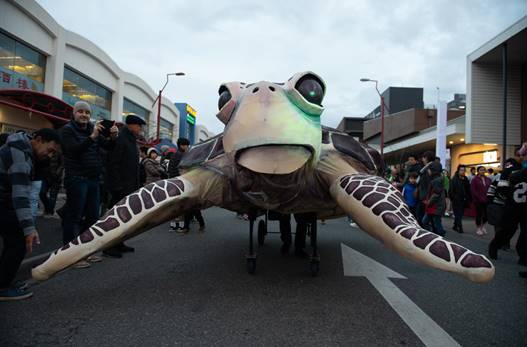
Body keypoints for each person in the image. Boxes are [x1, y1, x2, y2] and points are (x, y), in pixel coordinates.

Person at [0, 128, 61, 300]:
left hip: (5, 200)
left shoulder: (25, 150)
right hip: (4, 201)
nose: (49, 156)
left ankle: (4, 281)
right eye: (49, 151)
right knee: (19, 240)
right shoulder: (20, 154)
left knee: (15, 239)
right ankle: (3, 286)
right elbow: (20, 195)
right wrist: (29, 229)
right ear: (38, 140)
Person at [61, 101, 118, 268]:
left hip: (93, 179)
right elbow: (72, 150)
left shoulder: (91, 129)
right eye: (80, 111)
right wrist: (92, 137)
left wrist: (113, 137)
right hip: (76, 179)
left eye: (87, 112)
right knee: (74, 217)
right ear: (74, 113)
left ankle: (86, 251)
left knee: (93, 217)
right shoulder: (67, 130)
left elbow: (107, 146)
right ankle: (70, 255)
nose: (84, 114)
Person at [104, 115, 146, 258]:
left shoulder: (132, 140)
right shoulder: (121, 139)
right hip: (120, 187)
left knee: (124, 217)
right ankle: (109, 246)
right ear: (132, 125)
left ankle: (120, 243)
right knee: (115, 218)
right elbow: (114, 163)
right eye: (139, 126)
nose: (140, 129)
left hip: (129, 186)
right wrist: (116, 186)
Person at [422, 162, 446, 236]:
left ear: (433, 170)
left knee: (433, 222)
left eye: (429, 170)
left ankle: (440, 236)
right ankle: (435, 235)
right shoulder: (437, 179)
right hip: (435, 206)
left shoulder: (436, 180)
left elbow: (436, 194)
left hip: (435, 206)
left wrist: (428, 202)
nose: (428, 171)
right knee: (432, 222)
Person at [39, 151, 64, 218]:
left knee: (53, 196)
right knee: (42, 192)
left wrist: (57, 174)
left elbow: (62, 164)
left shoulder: (59, 151)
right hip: (45, 175)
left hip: (55, 177)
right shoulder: (45, 149)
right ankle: (48, 208)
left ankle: (50, 211)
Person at [415, 151, 435, 227]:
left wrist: (426, 197)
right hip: (423, 196)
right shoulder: (425, 168)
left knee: (421, 217)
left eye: (423, 158)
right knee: (422, 216)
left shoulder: (428, 169)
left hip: (425, 197)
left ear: (427, 158)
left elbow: (428, 184)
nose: (422, 159)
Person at [449, 165, 471, 233]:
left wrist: (468, 198)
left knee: (460, 214)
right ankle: (460, 227)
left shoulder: (465, 179)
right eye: (461, 170)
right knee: (458, 213)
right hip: (456, 200)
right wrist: (453, 198)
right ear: (458, 170)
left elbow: (468, 189)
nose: (463, 171)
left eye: (464, 170)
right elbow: (451, 190)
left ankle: (455, 226)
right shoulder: (454, 179)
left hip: (463, 200)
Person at [470, 166, 491, 236]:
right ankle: (478, 228)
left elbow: (490, 188)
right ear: (478, 171)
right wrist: (479, 197)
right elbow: (473, 190)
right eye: (481, 170)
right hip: (478, 200)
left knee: (487, 215)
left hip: (487, 200)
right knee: (479, 214)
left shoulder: (488, 179)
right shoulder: (474, 179)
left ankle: (483, 226)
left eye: (483, 170)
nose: (482, 171)